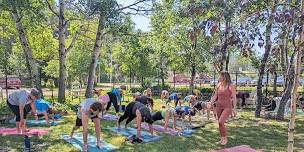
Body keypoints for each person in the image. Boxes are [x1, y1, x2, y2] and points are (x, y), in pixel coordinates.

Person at [209, 71, 237, 146]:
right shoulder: (218, 85)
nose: (219, 78)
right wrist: (210, 103)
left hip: (227, 106)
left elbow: (234, 97)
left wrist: (234, 108)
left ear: (224, 77)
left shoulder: (231, 85)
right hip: (219, 106)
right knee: (219, 123)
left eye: (220, 76)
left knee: (221, 121)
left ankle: (225, 139)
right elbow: (215, 96)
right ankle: (222, 139)